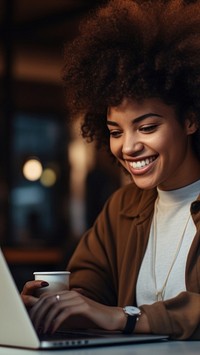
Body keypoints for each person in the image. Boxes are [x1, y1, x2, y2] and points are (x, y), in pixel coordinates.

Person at [21, 0, 200, 340]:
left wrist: (125, 317)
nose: (128, 147)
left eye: (147, 127)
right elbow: (89, 293)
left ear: (190, 119)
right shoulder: (122, 207)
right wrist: (55, 305)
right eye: (116, 132)